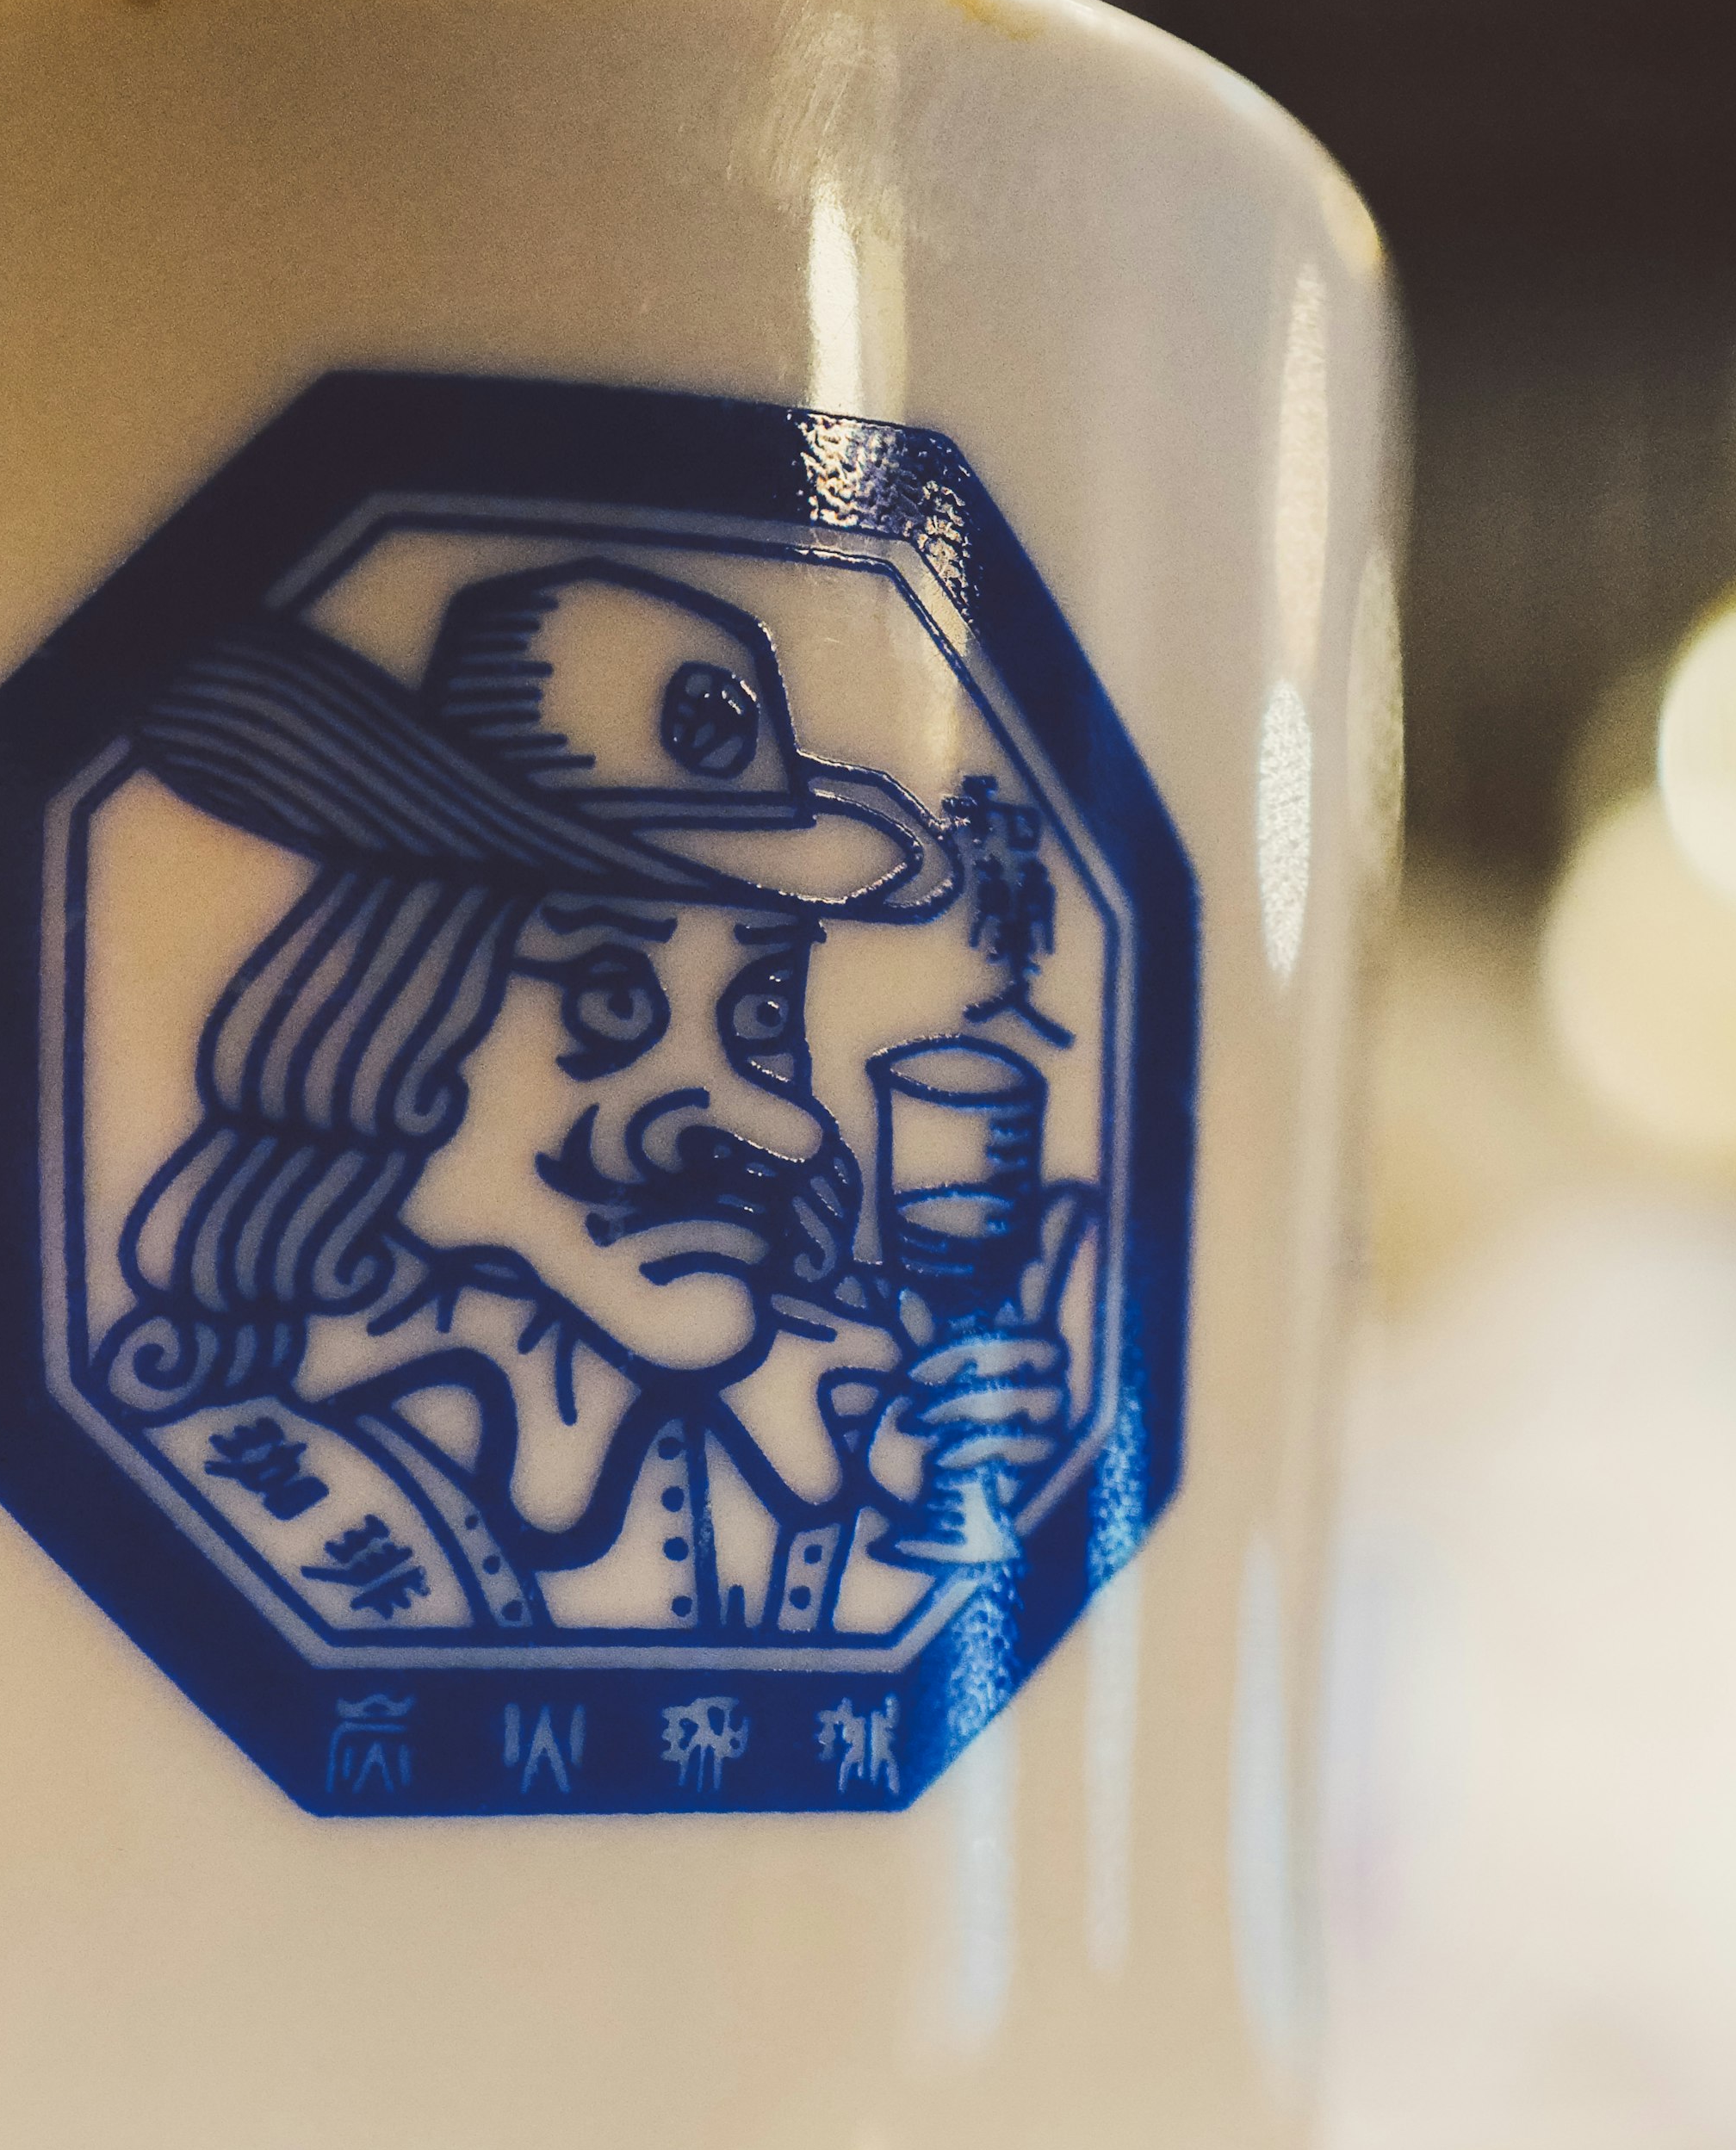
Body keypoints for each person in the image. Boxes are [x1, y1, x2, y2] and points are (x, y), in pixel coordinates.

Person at [96, 556, 1087, 1643]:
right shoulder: (239, 1470)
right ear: (392, 1031)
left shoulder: (830, 1419)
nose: (768, 1124)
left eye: (762, 1015)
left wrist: (943, 1483)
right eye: (608, 1000)